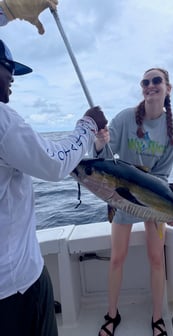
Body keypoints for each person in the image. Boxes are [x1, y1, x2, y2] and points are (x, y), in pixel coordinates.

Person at [0, 39, 108, 336]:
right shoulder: (3, 120)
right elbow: (54, 164)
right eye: (8, 68)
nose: (12, 79)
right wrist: (88, 126)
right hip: (16, 288)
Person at [95, 67, 173, 336]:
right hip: (122, 198)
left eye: (157, 80)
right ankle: (112, 314)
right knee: (116, 259)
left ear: (168, 88)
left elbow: (163, 176)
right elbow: (106, 158)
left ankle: (157, 318)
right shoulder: (125, 118)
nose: (150, 85)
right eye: (145, 82)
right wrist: (99, 142)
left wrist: (169, 210)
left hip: (152, 201)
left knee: (157, 259)